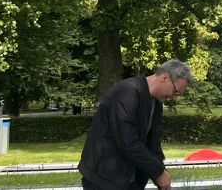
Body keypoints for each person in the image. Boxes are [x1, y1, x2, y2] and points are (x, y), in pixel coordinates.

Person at [79, 60, 194, 190]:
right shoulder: (127, 92)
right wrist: (158, 172)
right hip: (103, 178)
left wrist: (161, 174)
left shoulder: (156, 102)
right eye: (176, 91)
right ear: (165, 77)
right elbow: (128, 142)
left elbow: (153, 144)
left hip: (129, 180)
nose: (175, 98)